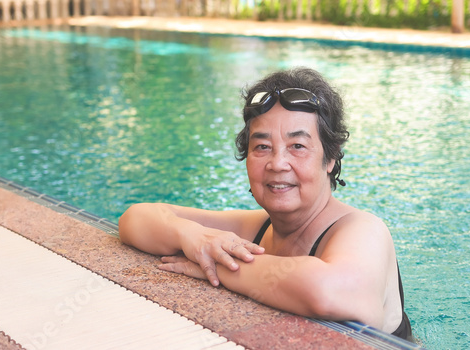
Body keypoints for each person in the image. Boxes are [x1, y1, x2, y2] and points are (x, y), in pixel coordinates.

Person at [119, 67, 413, 340]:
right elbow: (135, 219)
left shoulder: (364, 229)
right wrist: (194, 237)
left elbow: (331, 291)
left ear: (331, 157)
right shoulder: (255, 227)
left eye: (297, 146)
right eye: (262, 147)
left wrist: (218, 265)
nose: (278, 163)